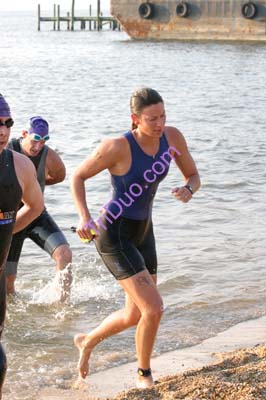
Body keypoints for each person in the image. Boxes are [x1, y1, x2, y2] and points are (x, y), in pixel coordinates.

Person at [70, 87, 201, 388]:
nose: (159, 124)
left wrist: (188, 190)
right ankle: (144, 374)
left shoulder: (173, 137)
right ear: (135, 119)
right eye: (152, 119)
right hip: (113, 232)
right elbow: (77, 177)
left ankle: (87, 341)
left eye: (163, 116)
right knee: (153, 308)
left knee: (134, 314)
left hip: (144, 230)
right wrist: (83, 217)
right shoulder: (117, 146)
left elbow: (193, 175)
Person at [0, 94, 44, 398]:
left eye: (7, 123)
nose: (3, 130)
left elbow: (35, 206)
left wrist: (6, 231)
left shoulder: (20, 165)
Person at [5, 116, 72, 302]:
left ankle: (62, 309)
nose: (38, 147)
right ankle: (13, 313)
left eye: (43, 142)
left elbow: (60, 176)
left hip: (37, 215)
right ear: (24, 134)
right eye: (35, 141)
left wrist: (34, 186)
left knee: (64, 254)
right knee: (7, 281)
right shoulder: (7, 151)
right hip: (12, 218)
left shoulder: (49, 156)